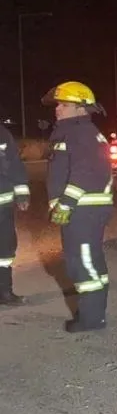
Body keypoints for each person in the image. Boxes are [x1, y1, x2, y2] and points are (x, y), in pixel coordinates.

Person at [43, 81, 114, 332]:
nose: (57, 109)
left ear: (81, 108)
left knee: (81, 262)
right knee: (89, 261)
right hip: (85, 210)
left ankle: (92, 320)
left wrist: (66, 203)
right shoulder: (75, 131)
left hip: (82, 210)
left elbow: (84, 172)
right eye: (58, 105)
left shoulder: (79, 133)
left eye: (64, 104)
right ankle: (94, 314)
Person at [0, 123, 31, 305]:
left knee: (5, 249)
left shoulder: (2, 134)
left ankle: (4, 291)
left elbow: (15, 165)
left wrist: (22, 193)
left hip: (3, 206)